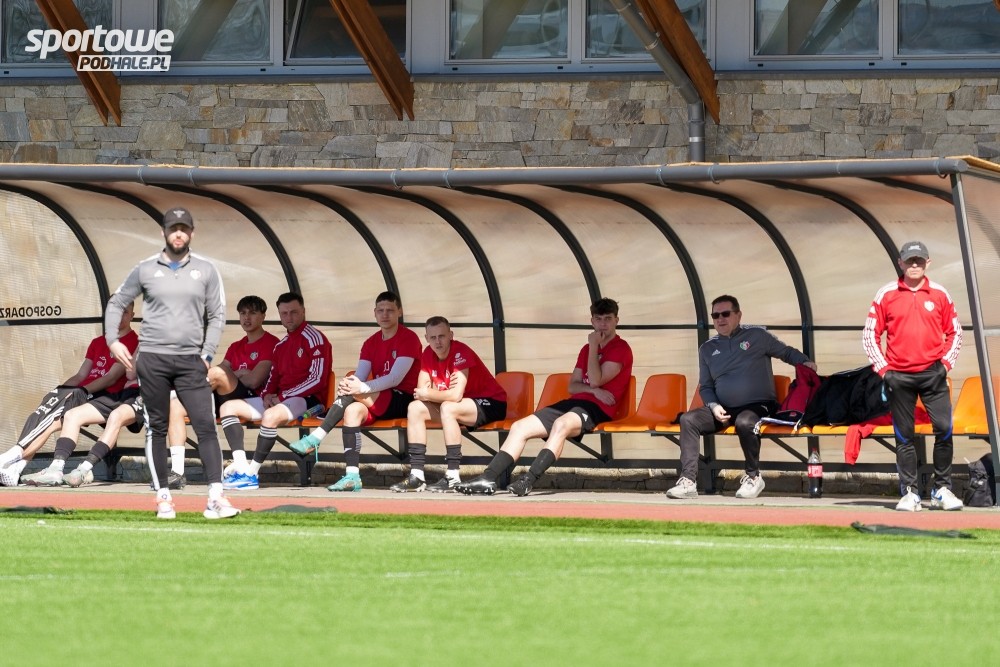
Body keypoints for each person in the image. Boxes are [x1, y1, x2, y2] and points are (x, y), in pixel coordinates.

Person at [104, 206, 239, 520]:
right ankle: (163, 499)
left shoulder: (206, 269)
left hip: (191, 360)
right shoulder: (145, 269)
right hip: (153, 359)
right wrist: (112, 339)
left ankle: (215, 498)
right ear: (164, 232)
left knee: (206, 425)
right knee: (157, 427)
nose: (178, 234)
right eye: (173, 228)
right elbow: (117, 302)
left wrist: (207, 354)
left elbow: (217, 314)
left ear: (192, 232)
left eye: (184, 228)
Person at [457, 298, 632, 497]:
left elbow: (595, 380)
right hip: (576, 402)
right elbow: (573, 386)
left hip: (599, 408)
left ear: (616, 320)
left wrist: (594, 349)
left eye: (608, 319)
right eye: (598, 319)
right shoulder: (586, 349)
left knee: (561, 425)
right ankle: (487, 478)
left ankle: (528, 480)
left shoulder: (620, 348)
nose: (603, 324)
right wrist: (594, 389)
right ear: (592, 321)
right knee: (519, 427)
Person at [665, 295, 816, 501]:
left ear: (738, 315)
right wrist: (714, 406)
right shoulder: (707, 349)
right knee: (688, 420)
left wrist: (805, 362)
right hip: (724, 409)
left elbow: (786, 352)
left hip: (759, 405)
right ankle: (688, 481)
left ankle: (753, 477)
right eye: (715, 315)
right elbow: (706, 387)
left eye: (725, 314)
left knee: (745, 422)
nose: (720, 319)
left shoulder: (757, 336)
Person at [863, 241, 963, 512]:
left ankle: (942, 490)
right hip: (899, 376)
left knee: (944, 429)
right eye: (910, 260)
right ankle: (909, 493)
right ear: (901, 263)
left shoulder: (940, 293)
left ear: (928, 263)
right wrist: (885, 371)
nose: (914, 265)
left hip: (933, 374)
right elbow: (870, 334)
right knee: (904, 435)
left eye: (919, 260)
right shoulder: (886, 294)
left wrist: (945, 365)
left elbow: (955, 332)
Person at [288, 291, 421, 493]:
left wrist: (360, 387)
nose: (385, 315)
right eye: (381, 310)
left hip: (403, 400)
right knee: (351, 411)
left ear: (399, 312)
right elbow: (360, 376)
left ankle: (316, 438)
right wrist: (350, 384)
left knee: (355, 390)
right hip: (376, 399)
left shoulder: (408, 338)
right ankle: (352, 476)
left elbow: (395, 378)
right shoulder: (370, 342)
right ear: (374, 313)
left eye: (390, 310)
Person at [0, 302, 137, 487]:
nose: (119, 316)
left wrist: (81, 391)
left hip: (105, 397)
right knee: (47, 414)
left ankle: (11, 458)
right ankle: (16, 468)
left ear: (132, 315)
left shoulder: (132, 341)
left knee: (53, 416)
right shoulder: (98, 342)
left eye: (125, 312)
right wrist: (60, 390)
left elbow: (111, 378)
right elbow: (81, 375)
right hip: (86, 394)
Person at [219, 291, 331, 490]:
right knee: (227, 407)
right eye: (284, 313)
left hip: (308, 400)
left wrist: (282, 396)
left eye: (294, 312)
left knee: (270, 416)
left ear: (303, 312)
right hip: (281, 400)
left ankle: (251, 475)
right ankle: (241, 466)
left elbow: (318, 379)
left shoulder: (315, 338)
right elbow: (273, 378)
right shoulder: (281, 345)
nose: (289, 317)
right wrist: (266, 396)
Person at [166, 294, 279, 486]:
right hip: (224, 396)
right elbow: (219, 373)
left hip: (251, 399)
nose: (247, 318)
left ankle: (177, 389)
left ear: (263, 316)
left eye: (252, 313)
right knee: (175, 406)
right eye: (243, 313)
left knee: (218, 373)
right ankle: (177, 472)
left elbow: (253, 381)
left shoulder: (271, 343)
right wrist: (238, 373)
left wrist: (232, 373)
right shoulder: (236, 346)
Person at [390, 316, 508, 493]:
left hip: (491, 403)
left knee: (448, 407)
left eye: (442, 336)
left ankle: (453, 476)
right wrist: (438, 393)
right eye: (433, 337)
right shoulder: (427, 354)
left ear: (451, 335)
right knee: (415, 408)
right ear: (426, 338)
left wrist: (431, 392)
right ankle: (417, 476)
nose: (438, 342)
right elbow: (420, 392)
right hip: (458, 406)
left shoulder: (461, 352)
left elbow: (453, 395)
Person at [24, 365, 146, 487]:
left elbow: (130, 374)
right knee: (72, 415)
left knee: (115, 417)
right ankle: (55, 468)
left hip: (145, 392)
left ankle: (83, 469)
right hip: (123, 393)